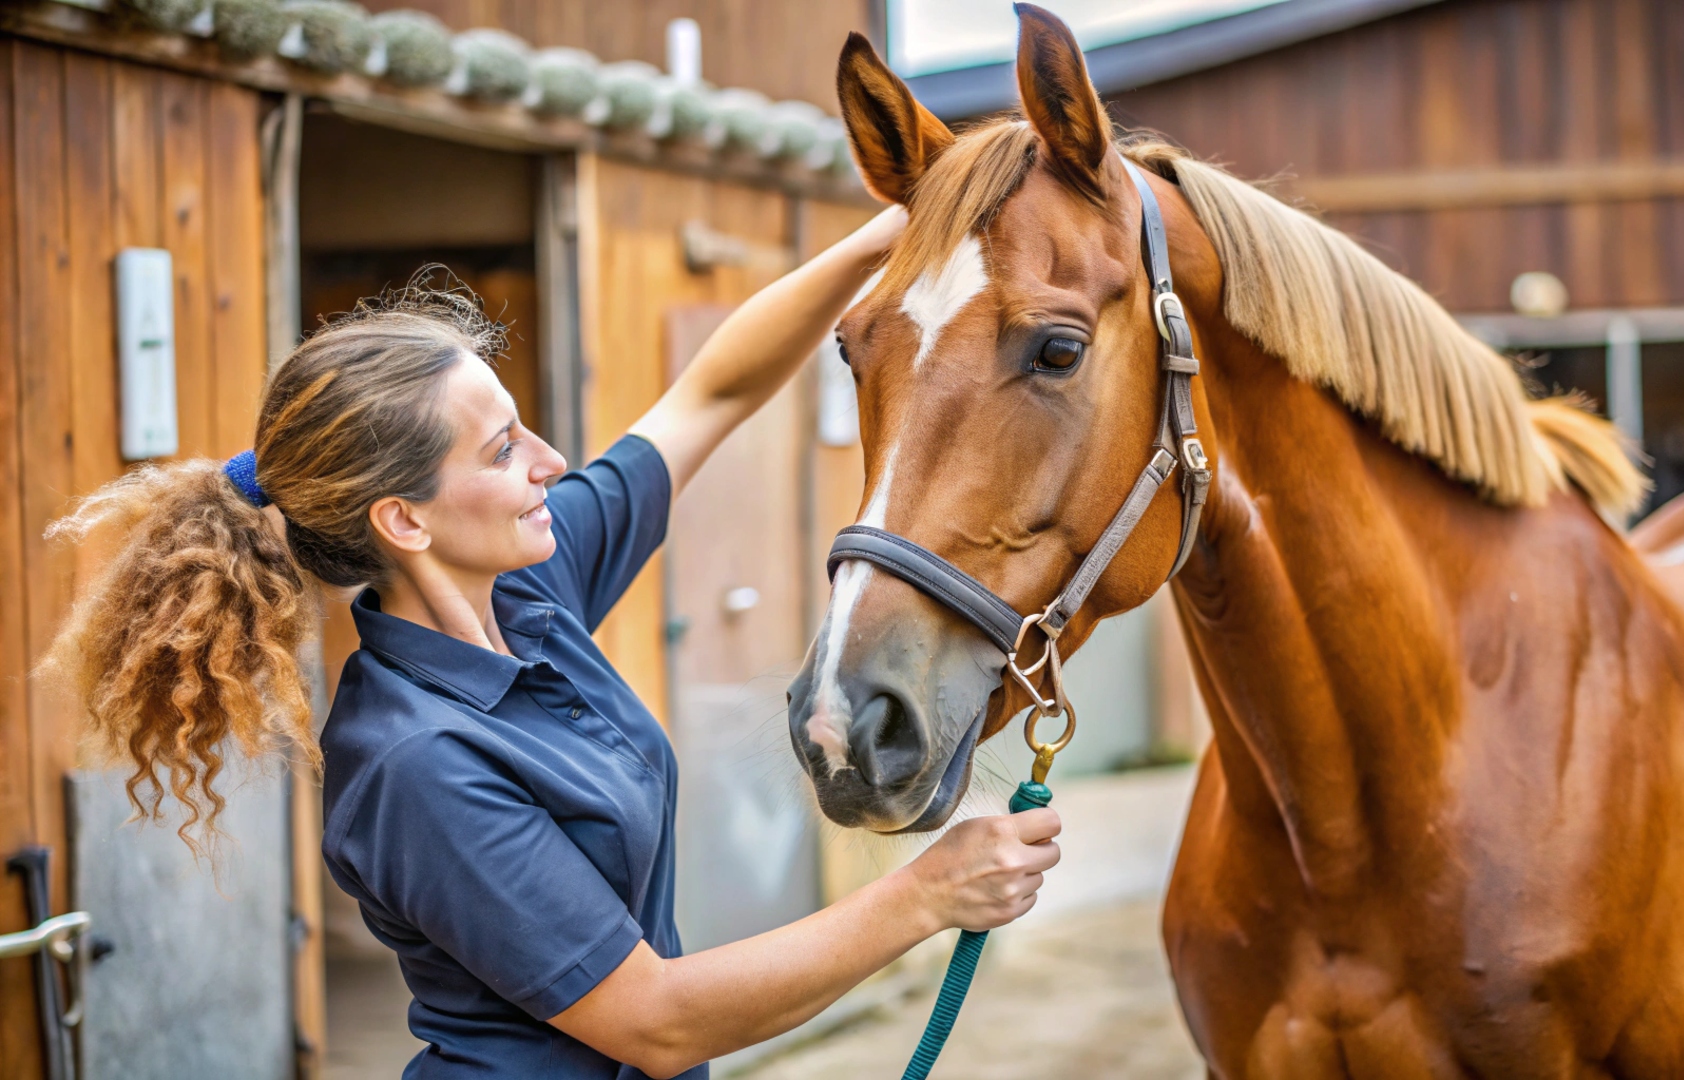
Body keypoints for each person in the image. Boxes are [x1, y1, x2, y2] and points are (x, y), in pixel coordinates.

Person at [42, 206, 1062, 1079]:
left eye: (524, 428)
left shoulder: (532, 583)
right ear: (404, 521)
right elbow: (653, 1019)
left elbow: (711, 392)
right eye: (502, 450)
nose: (552, 461)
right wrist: (926, 895)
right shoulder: (412, 762)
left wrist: (888, 237)